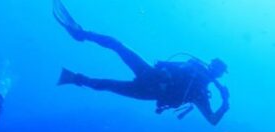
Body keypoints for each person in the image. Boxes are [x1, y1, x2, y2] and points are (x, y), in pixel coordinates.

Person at [53, 0, 229, 125]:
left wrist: (225, 104)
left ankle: (73, 77)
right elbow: (167, 64)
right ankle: (80, 33)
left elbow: (213, 120)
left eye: (216, 69)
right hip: (150, 76)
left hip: (148, 89)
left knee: (107, 82)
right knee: (117, 46)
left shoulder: (200, 94)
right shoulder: (194, 67)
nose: (211, 68)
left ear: (217, 74)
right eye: (213, 65)